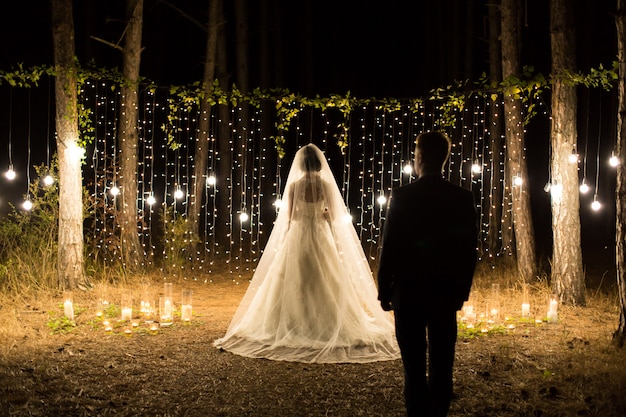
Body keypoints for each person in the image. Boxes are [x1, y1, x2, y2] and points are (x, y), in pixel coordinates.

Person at [214, 143, 400, 363]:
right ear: (319, 164)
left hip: (299, 233)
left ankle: (293, 320)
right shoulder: (326, 186)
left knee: (297, 276)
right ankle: (324, 321)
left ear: (300, 164)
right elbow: (332, 215)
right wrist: (321, 214)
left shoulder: (294, 186)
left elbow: (290, 215)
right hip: (320, 234)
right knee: (324, 275)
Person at [377, 131, 478, 417]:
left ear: (419, 158)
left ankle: (417, 411)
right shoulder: (461, 197)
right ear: (444, 159)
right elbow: (468, 250)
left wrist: (385, 289)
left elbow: (391, 246)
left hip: (408, 291)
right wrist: (461, 291)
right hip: (445, 291)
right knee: (443, 361)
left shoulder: (402, 195)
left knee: (413, 363)